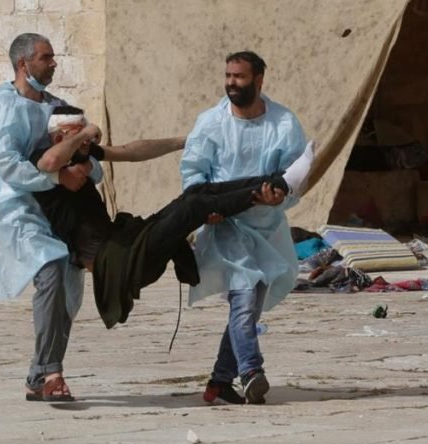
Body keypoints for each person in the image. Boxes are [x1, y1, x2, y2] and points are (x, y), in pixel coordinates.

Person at [29, 107, 315, 330]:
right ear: (57, 138)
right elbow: (50, 163)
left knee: (194, 195)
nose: (87, 140)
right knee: (193, 209)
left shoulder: (78, 154)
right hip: (114, 262)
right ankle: (276, 186)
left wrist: (185, 141)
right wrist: (85, 132)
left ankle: (278, 182)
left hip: (125, 242)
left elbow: (131, 151)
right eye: (76, 133)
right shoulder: (43, 161)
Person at [0, 32, 99, 404]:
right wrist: (56, 176)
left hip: (48, 206)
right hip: (6, 205)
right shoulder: (3, 107)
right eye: (46, 57)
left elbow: (84, 154)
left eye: (53, 57)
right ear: (23, 64)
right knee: (51, 264)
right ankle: (52, 373)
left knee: (65, 279)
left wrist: (84, 168)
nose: (53, 63)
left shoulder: (57, 107)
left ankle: (39, 373)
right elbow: (6, 165)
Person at [181, 50, 311, 406]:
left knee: (251, 304)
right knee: (244, 293)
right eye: (228, 76)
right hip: (227, 227)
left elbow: (295, 174)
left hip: (267, 227)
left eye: (239, 77)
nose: (231, 84)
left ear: (258, 80)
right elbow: (193, 171)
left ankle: (219, 382)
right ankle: (251, 371)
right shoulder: (210, 122)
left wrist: (278, 198)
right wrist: (205, 208)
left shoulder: (283, 123)